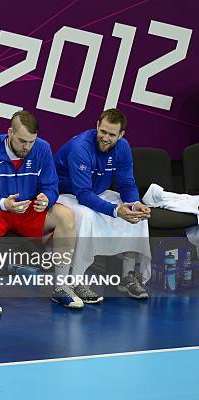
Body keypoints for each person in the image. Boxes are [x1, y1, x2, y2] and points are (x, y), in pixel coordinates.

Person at [0, 110, 81, 311]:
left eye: (31, 141)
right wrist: (2, 203)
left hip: (27, 209)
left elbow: (52, 186)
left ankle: (61, 286)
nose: (27, 147)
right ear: (10, 133)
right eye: (22, 141)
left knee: (65, 215)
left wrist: (47, 199)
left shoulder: (42, 149)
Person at [54, 108, 152, 301]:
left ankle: (128, 276)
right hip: (65, 194)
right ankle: (75, 281)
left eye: (111, 134)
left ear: (121, 135)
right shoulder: (80, 148)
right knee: (87, 216)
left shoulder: (123, 147)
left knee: (137, 214)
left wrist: (134, 204)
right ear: (97, 126)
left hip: (96, 191)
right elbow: (83, 194)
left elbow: (126, 183)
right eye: (103, 131)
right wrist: (116, 211)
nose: (105, 137)